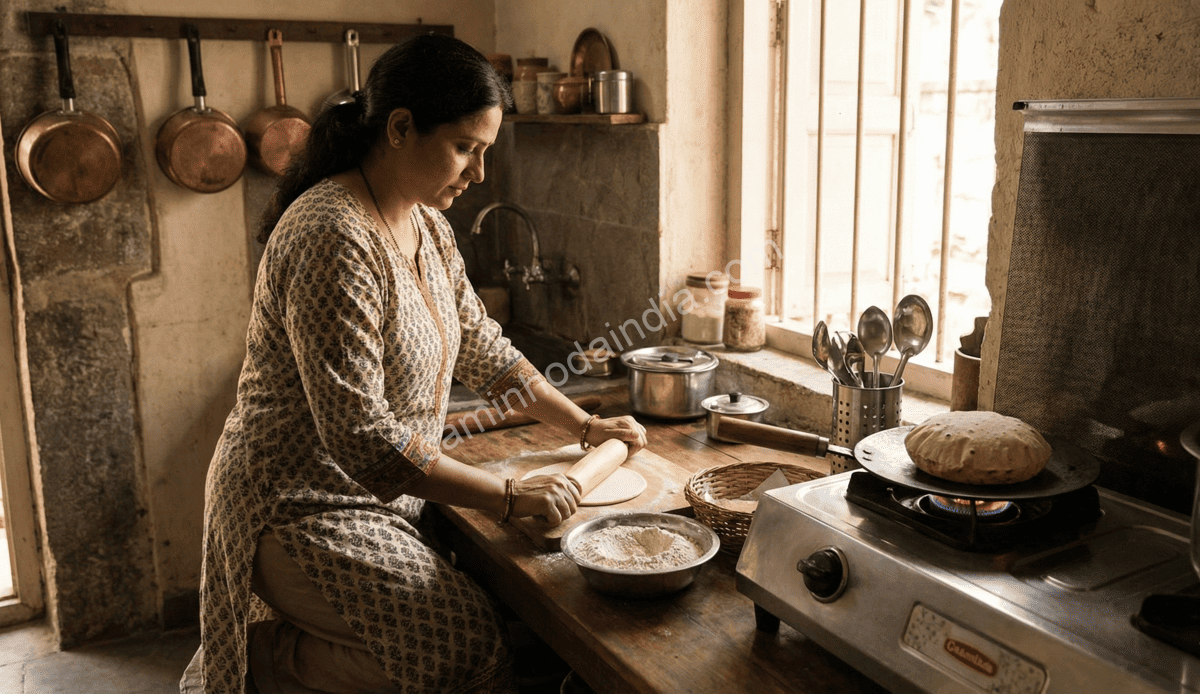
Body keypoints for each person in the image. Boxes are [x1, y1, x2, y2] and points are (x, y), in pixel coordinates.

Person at [180, 32, 647, 694]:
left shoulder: (428, 225)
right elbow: (361, 437)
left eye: (485, 153)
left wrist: (584, 428)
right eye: (465, 148)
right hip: (294, 505)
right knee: (461, 645)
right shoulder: (332, 236)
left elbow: (482, 343)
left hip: (376, 498)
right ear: (400, 127)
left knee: (466, 632)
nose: (479, 174)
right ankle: (263, 661)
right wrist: (510, 496)